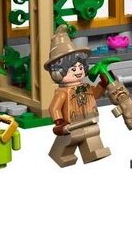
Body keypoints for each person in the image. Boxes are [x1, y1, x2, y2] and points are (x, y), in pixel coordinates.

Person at [44, 25, 110, 167]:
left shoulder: (85, 86)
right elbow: (54, 107)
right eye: (73, 69)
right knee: (71, 139)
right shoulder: (62, 92)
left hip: (89, 119)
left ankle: (94, 152)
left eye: (81, 67)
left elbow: (95, 95)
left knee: (92, 134)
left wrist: (102, 85)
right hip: (71, 124)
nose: (78, 71)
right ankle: (61, 155)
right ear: (58, 72)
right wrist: (59, 122)